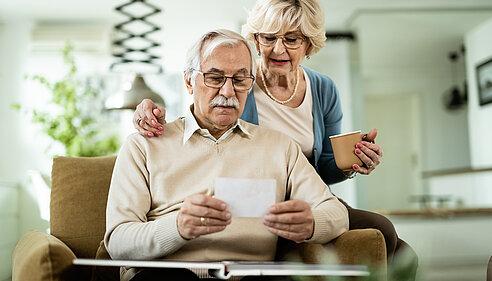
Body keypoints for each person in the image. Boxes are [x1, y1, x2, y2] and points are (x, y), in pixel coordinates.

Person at [131, 1, 418, 276]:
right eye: (269, 38)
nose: (278, 49)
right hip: (258, 199)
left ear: (309, 44)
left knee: (396, 243)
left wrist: (351, 163)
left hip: (304, 195)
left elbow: (325, 168)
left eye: (292, 39)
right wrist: (148, 112)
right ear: (256, 40)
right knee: (385, 235)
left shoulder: (323, 89)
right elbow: (205, 119)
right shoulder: (240, 81)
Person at [105, 29, 349, 281]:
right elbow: (118, 242)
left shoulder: (280, 147)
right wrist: (177, 227)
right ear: (189, 81)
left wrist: (311, 224)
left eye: (240, 80)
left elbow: (336, 214)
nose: (228, 91)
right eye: (214, 77)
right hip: (166, 275)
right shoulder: (143, 145)